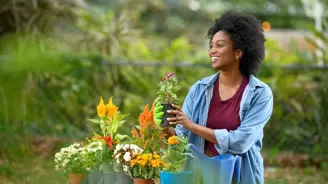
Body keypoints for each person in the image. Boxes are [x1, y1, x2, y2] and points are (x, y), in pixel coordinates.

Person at [154, 11, 273, 184]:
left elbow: (242, 142)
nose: (212, 51)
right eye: (211, 46)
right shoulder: (200, 89)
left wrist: (192, 126)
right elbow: (182, 139)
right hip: (199, 177)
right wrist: (165, 127)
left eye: (219, 45)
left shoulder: (260, 93)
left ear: (238, 52)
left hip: (239, 178)